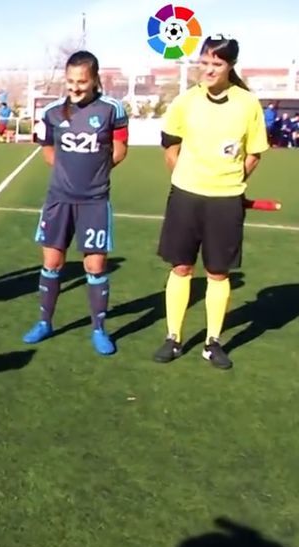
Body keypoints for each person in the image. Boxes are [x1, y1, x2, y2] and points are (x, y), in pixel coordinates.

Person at [154, 35, 268, 369]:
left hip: (226, 200)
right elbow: (170, 145)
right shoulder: (186, 101)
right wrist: (186, 176)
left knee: (217, 272)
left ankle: (212, 342)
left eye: (216, 64)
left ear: (230, 66)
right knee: (181, 267)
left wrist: (231, 181)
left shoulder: (247, 104)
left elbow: (255, 153)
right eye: (204, 62)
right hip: (186, 196)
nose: (208, 69)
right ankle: (173, 337)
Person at [22, 50, 129, 355]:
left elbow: (120, 150)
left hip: (94, 201)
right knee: (52, 263)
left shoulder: (112, 110)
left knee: (95, 266)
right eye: (70, 81)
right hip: (59, 200)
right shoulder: (53, 112)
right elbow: (47, 152)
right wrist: (67, 175)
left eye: (81, 82)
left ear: (95, 80)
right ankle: (44, 323)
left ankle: (99, 329)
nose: (75, 88)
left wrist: (94, 174)